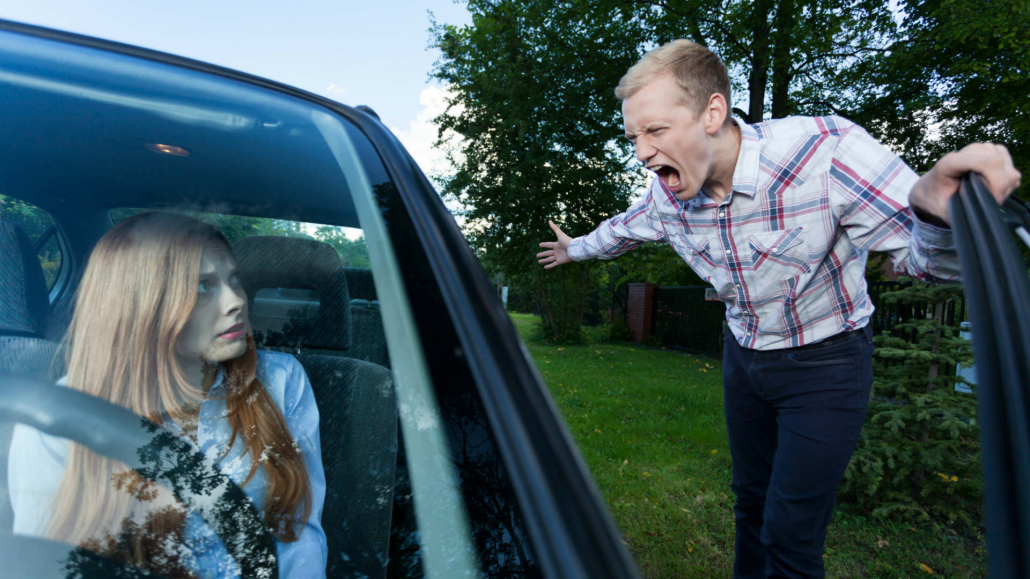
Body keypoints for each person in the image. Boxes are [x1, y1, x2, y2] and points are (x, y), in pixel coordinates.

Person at [537, 40, 1020, 579]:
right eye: (633, 138)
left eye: (655, 131)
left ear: (712, 113)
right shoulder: (666, 199)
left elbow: (928, 263)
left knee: (790, 530)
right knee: (750, 503)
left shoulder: (827, 152)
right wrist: (573, 248)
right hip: (744, 358)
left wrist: (934, 212)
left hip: (826, 364)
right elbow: (621, 232)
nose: (643, 152)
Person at [7, 212, 327, 578]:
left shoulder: (281, 380)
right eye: (203, 287)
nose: (236, 300)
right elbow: (48, 564)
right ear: (141, 306)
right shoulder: (60, 415)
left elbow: (298, 533)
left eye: (233, 279)